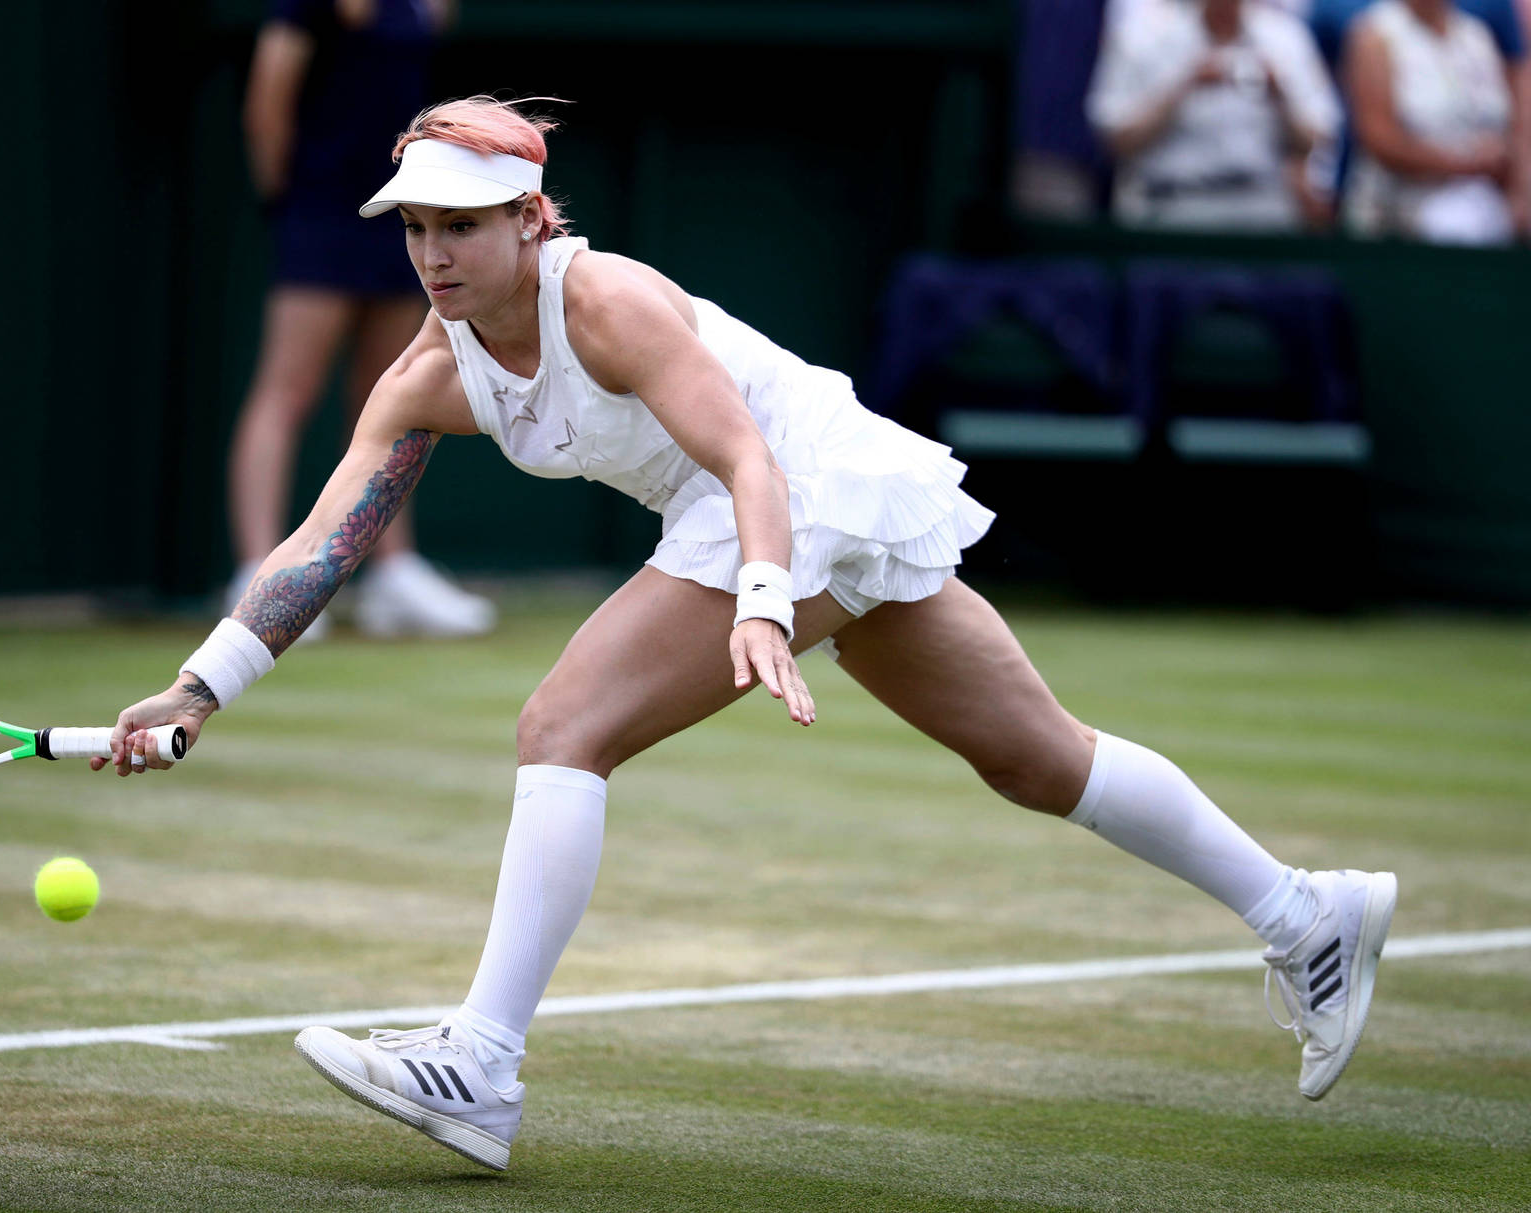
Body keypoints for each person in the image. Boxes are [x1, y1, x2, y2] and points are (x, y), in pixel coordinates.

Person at [94, 97, 1399, 1172]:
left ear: (530, 219)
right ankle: (1306, 912)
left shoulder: (605, 301)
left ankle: (479, 1066)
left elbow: (740, 455)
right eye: (418, 228)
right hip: (762, 511)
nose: (436, 255)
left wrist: (768, 598)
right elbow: (325, 543)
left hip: (796, 486)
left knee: (563, 724)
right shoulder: (428, 375)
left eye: (466, 225)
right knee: (1035, 758)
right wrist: (198, 687)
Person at [226, 0, 494, 640]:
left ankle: (392, 573)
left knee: (393, 394)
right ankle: (260, 574)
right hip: (319, 211)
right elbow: (267, 105)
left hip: (402, 208)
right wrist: (288, 204)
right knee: (287, 391)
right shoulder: (304, 10)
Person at [1088, 0, 1343, 231]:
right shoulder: (1141, 36)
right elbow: (1114, 140)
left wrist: (1279, 96)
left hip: (1262, 210)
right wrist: (1183, 89)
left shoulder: (1286, 38)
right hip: (1171, 208)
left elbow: (1317, 138)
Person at [1340, 0, 1526, 242]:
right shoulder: (1375, 35)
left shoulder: (1476, 36)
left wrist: (1518, 188)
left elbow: (1511, 122)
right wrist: (1465, 165)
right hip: (1401, 215)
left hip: (1484, 204)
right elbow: (1379, 139)